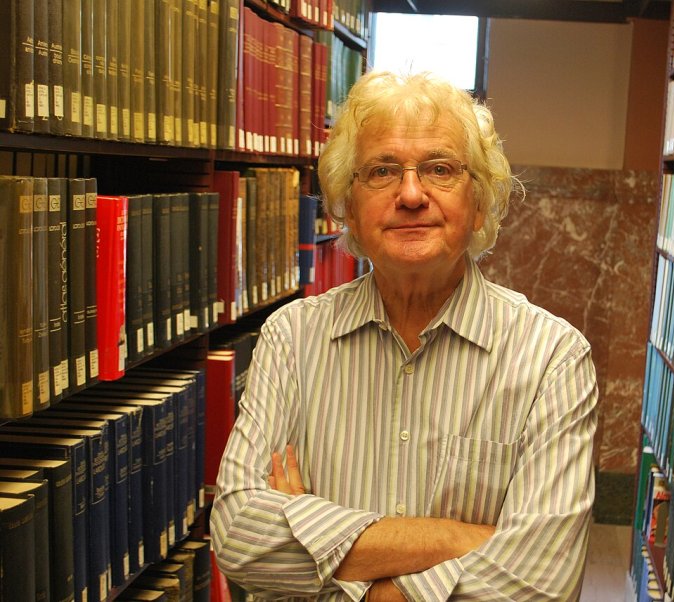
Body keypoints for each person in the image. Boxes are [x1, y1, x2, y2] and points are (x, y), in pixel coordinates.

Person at [210, 70, 599, 601]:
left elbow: (541, 584)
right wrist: (456, 538)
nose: (411, 194)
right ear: (348, 206)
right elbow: (238, 536)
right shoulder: (291, 339)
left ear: (479, 203)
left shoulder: (552, 359)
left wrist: (315, 542)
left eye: (440, 169)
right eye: (382, 171)